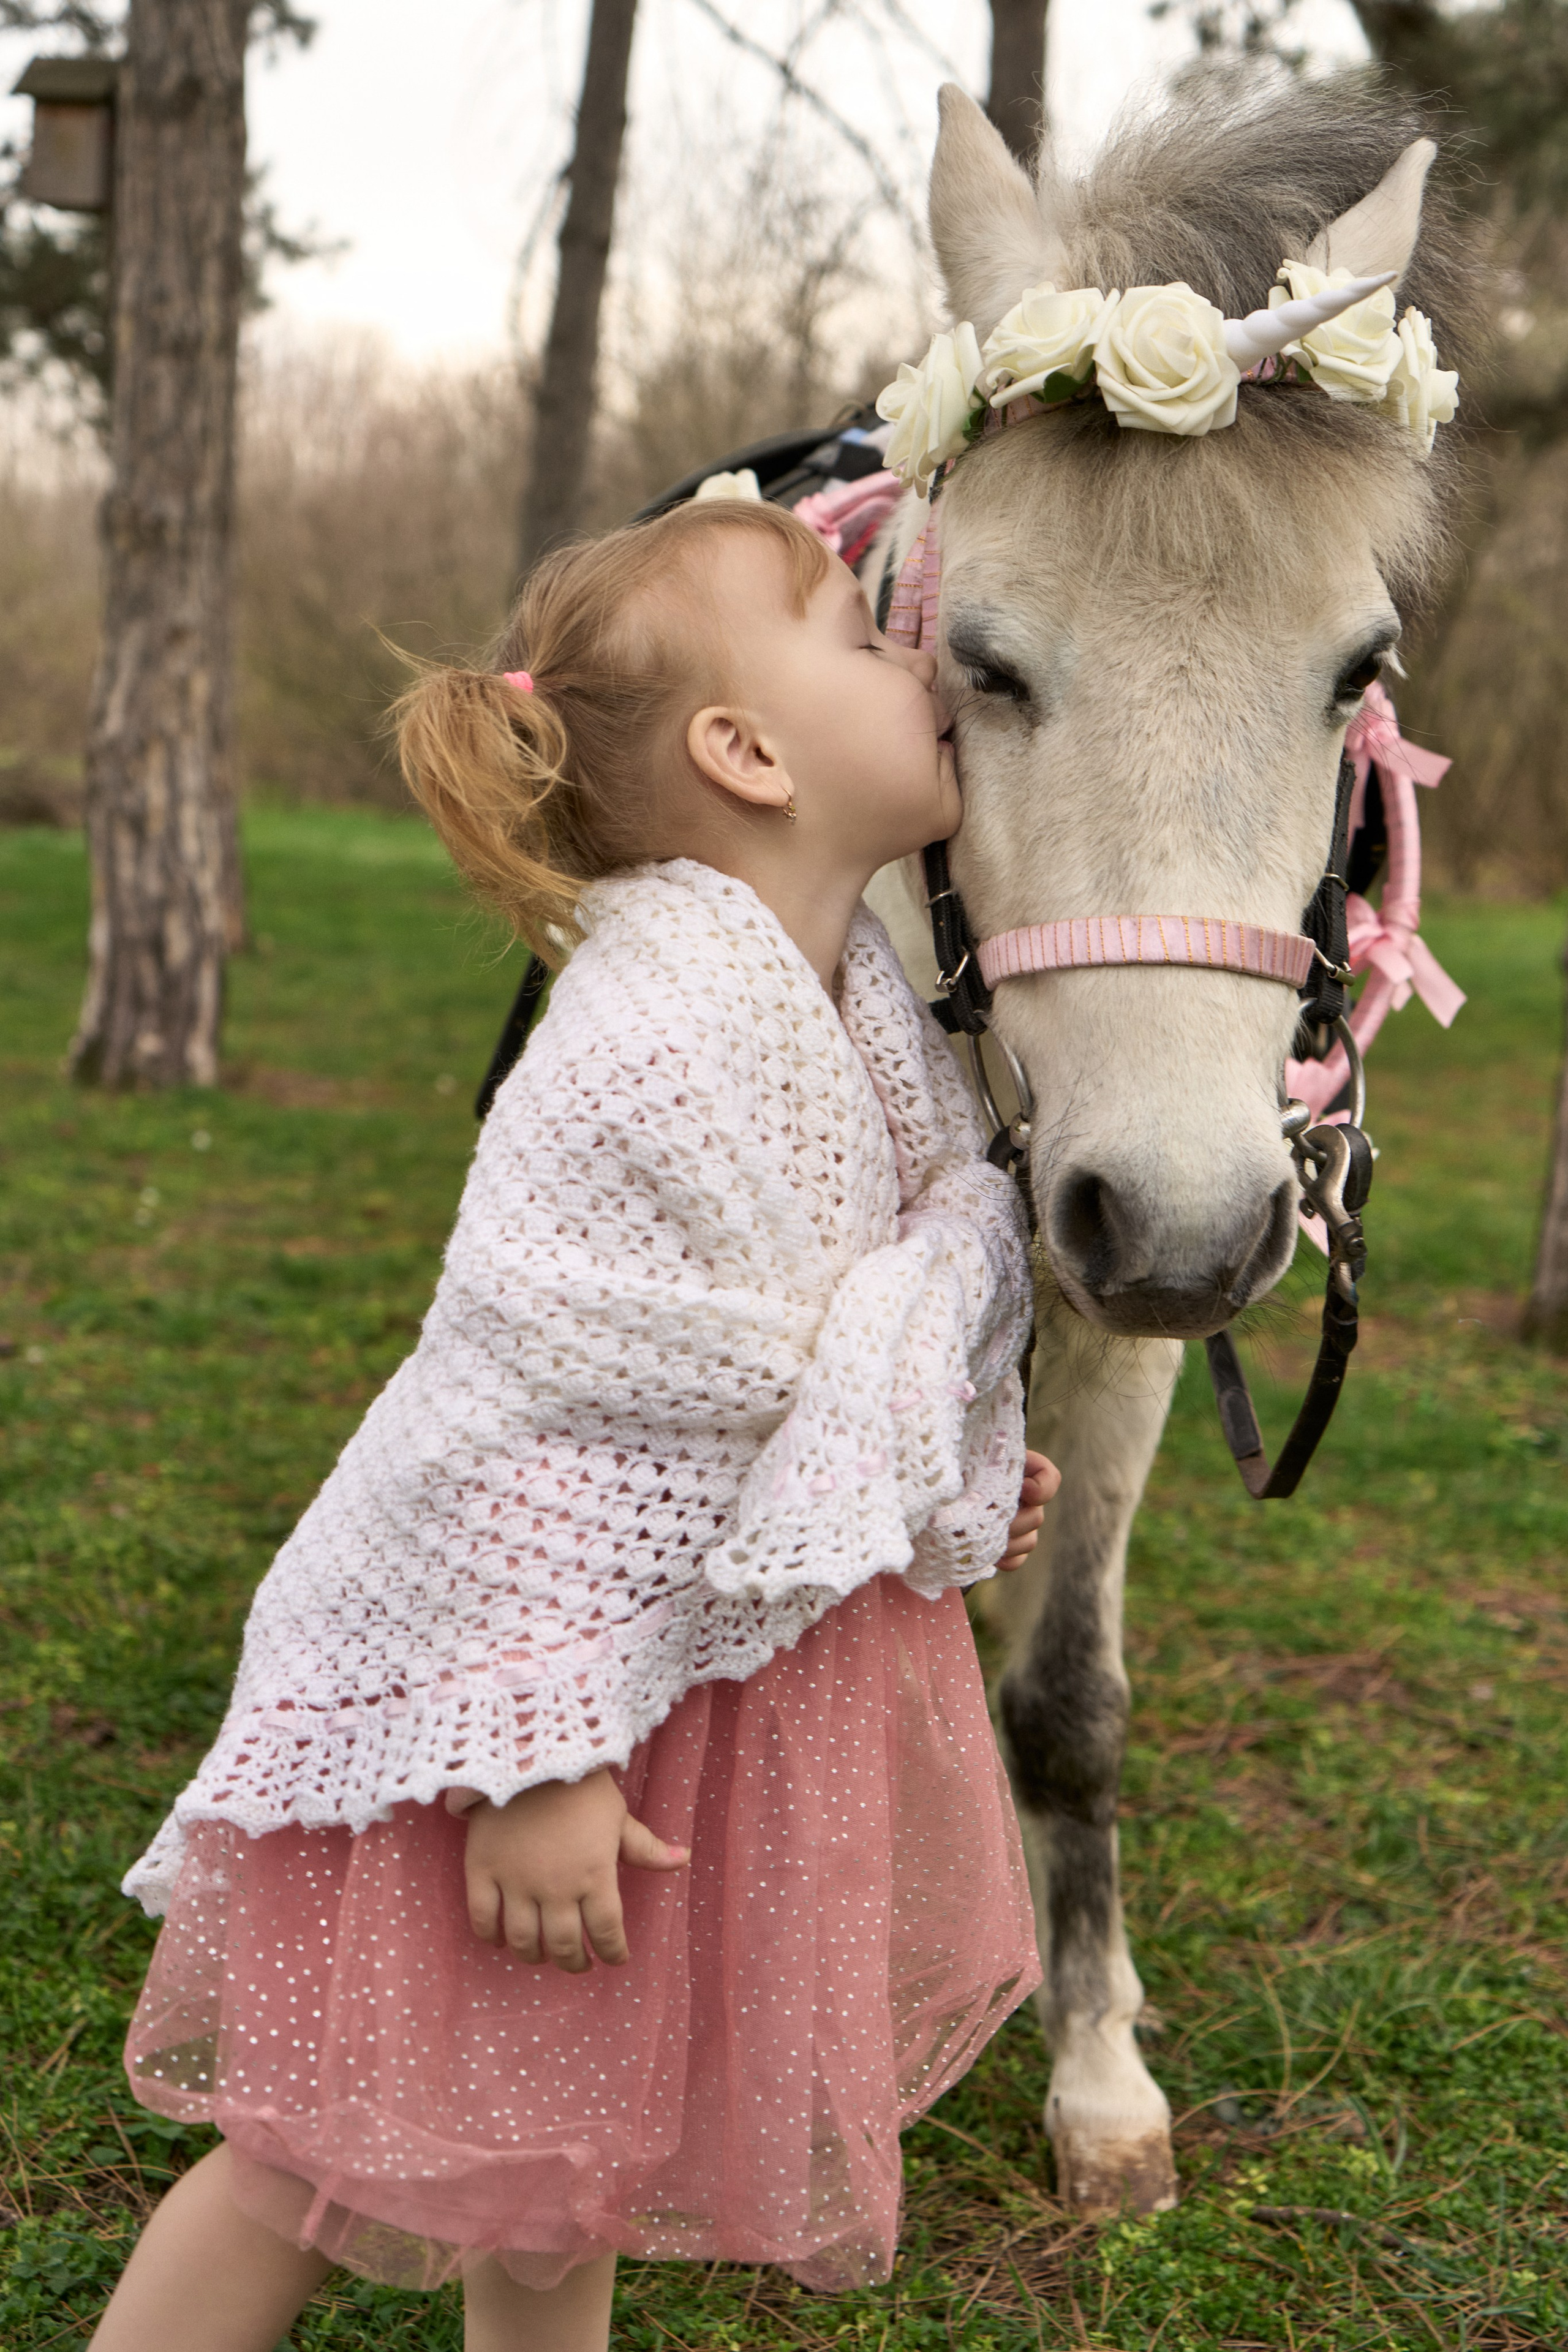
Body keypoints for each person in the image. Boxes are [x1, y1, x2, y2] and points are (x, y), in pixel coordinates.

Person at [94, 497, 1058, 2352]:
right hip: (529, 1720)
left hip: (710, 1714)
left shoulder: (863, 997)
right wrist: (535, 1757)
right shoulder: (646, 1023)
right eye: (866, 638)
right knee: (322, 2155)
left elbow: (834, 1356)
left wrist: (938, 1468)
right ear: (749, 751)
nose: (919, 664)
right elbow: (527, 1422)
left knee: (561, 2187)